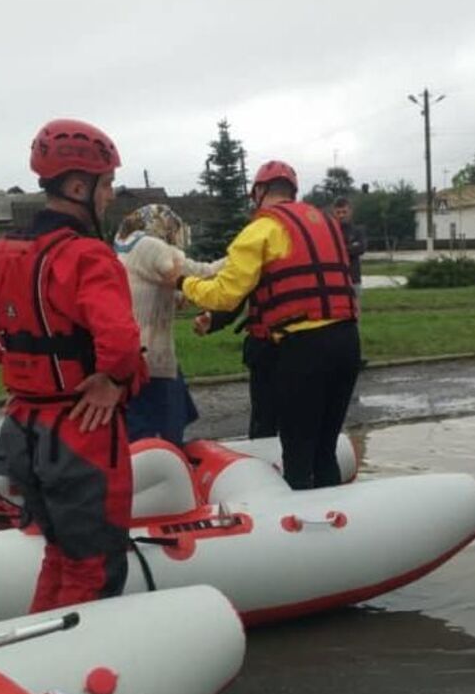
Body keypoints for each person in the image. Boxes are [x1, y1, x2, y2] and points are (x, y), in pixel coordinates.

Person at [0, 119, 148, 612]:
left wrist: (31, 373)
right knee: (95, 566)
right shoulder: (88, 255)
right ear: (79, 186)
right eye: (106, 186)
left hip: (23, 428)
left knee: (59, 555)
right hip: (79, 432)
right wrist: (111, 380)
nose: (109, 197)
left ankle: (41, 657)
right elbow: (123, 343)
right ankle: (83, 670)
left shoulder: (4, 251)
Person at [179, 160, 360, 489]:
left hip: (303, 352)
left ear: (259, 193)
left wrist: (185, 284)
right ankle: (337, 518)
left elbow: (225, 295)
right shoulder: (328, 224)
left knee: (297, 455)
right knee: (325, 449)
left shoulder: (260, 230)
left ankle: (299, 526)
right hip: (347, 342)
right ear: (293, 192)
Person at [114, 203, 222, 445]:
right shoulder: (149, 247)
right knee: (160, 438)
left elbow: (166, 289)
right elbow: (200, 273)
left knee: (143, 432)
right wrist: (241, 258)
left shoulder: (125, 247)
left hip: (134, 357)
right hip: (149, 361)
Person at [192, 296, 278, 439]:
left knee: (304, 423)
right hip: (269, 351)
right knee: (266, 422)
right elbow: (236, 289)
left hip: (300, 349)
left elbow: (237, 287)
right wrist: (214, 317)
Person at [330, 196, 367, 299]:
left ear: (350, 211)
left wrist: (339, 248)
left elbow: (361, 249)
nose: (341, 215)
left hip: (353, 280)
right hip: (335, 280)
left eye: (344, 212)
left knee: (354, 313)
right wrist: (350, 247)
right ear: (334, 212)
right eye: (338, 212)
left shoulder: (358, 231)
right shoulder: (330, 231)